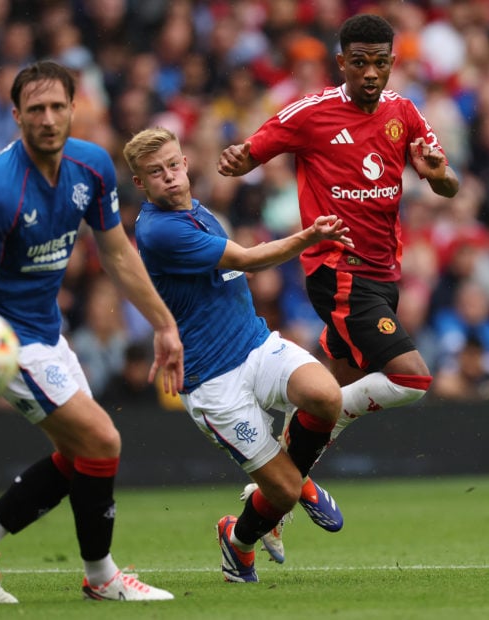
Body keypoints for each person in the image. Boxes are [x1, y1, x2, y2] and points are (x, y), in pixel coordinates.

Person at [0, 61, 183, 604]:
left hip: (49, 329)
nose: (48, 119)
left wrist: (164, 324)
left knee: (80, 456)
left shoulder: (90, 165)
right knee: (102, 440)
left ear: (75, 108)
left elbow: (115, 250)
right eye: (36, 109)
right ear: (16, 115)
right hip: (4, 341)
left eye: (57, 107)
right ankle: (102, 578)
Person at [217, 14, 459, 450]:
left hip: (385, 273)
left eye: (381, 63)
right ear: (341, 61)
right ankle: (330, 416)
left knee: (326, 405)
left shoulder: (403, 112)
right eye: (360, 62)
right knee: (412, 377)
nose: (371, 73)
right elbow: (253, 152)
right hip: (339, 270)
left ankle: (261, 510)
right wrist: (238, 158)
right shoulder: (311, 113)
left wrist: (439, 176)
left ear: (391, 62)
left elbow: (449, 184)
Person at [123, 127, 352, 583]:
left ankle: (294, 478)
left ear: (185, 163)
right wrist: (308, 236)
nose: (168, 176)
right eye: (155, 172)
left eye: (172, 165)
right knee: (282, 492)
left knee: (326, 396)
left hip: (254, 344)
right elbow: (247, 260)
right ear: (140, 184)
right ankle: (239, 539)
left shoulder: (196, 209)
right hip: (214, 382)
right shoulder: (160, 229)